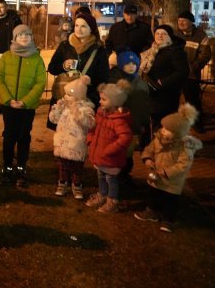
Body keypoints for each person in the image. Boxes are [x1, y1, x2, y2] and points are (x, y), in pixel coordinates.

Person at [134, 103, 203, 233]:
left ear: (177, 133)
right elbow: (149, 149)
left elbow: (183, 165)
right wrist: (147, 159)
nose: (163, 130)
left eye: (167, 129)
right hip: (156, 176)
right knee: (153, 194)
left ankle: (168, 219)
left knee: (170, 200)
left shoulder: (184, 148)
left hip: (172, 181)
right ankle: (152, 212)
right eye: (163, 127)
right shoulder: (158, 139)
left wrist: (167, 172)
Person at [0, 24, 47, 187]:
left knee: (24, 137)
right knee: (9, 137)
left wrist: (25, 101)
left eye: (27, 35)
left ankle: (21, 168)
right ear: (14, 38)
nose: (24, 37)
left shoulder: (36, 59)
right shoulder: (6, 57)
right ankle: (8, 167)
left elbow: (40, 83)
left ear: (31, 37)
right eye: (20, 35)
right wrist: (8, 99)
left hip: (27, 107)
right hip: (9, 106)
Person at [85, 82, 133, 213]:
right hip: (100, 155)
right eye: (100, 98)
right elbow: (93, 128)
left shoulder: (118, 119)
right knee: (101, 176)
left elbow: (125, 137)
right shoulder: (101, 113)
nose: (100, 101)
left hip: (111, 158)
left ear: (115, 101)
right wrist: (90, 140)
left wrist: (110, 149)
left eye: (104, 99)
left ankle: (112, 201)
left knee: (111, 179)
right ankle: (102, 195)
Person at [138, 25, 189, 148]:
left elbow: (183, 71)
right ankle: (147, 144)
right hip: (150, 91)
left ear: (170, 36)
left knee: (162, 120)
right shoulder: (151, 50)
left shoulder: (175, 51)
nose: (160, 36)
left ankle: (161, 145)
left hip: (166, 93)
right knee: (148, 118)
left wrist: (164, 82)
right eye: (157, 33)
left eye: (163, 34)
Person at [108, 50, 152, 185]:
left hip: (132, 124)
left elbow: (143, 106)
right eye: (128, 63)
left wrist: (142, 123)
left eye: (134, 63)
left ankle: (123, 175)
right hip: (117, 124)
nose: (131, 66)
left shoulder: (139, 81)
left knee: (128, 152)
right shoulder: (114, 80)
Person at [48, 13, 110, 108]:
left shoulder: (98, 50)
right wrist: (64, 66)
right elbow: (52, 68)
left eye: (83, 26)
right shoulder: (65, 46)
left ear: (91, 29)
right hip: (64, 99)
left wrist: (92, 95)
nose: (79, 29)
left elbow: (104, 78)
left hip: (86, 101)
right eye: (77, 25)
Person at [48, 76, 95, 199]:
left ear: (78, 96)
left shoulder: (85, 108)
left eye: (69, 95)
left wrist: (78, 114)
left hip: (77, 145)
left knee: (77, 168)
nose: (65, 97)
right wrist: (57, 109)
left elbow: (89, 123)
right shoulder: (65, 107)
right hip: (63, 143)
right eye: (65, 94)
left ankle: (77, 185)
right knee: (63, 167)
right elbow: (53, 119)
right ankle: (62, 183)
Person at [175, 11, 211, 132]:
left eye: (184, 21)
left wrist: (192, 68)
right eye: (179, 21)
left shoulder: (201, 35)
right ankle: (174, 122)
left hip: (191, 75)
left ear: (191, 22)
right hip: (175, 74)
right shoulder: (175, 34)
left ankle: (197, 124)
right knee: (172, 100)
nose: (181, 23)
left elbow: (205, 55)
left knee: (193, 101)